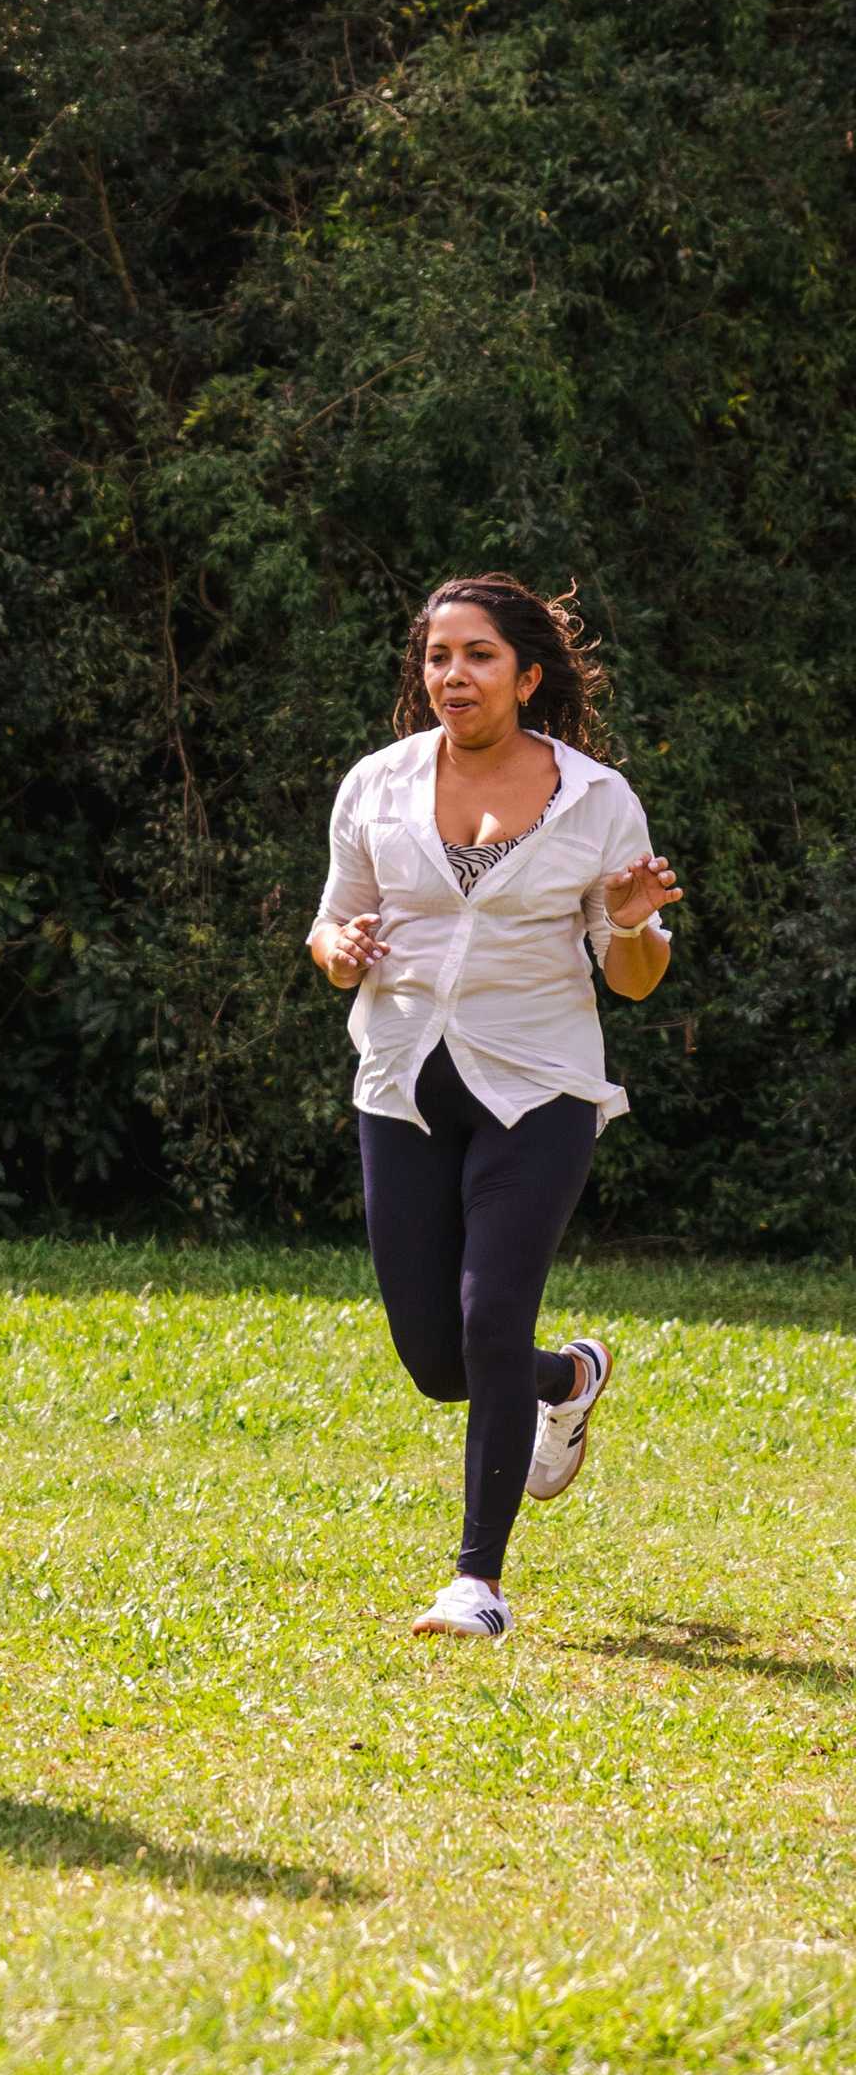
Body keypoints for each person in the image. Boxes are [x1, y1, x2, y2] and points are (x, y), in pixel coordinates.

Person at [308, 574, 681, 1641]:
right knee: (439, 1361)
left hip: (539, 1086)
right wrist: (341, 950)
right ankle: (567, 1378)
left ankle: (477, 1583)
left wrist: (632, 924)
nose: (453, 675)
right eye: (438, 656)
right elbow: (330, 930)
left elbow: (633, 980)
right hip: (403, 1083)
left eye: (478, 656)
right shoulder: (377, 783)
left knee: (489, 1321)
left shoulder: (597, 799)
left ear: (527, 675)